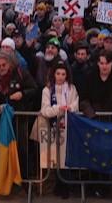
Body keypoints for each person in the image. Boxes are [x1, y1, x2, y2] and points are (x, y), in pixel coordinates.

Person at [38, 60, 79, 199]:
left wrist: (69, 108)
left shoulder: (72, 88)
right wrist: (58, 109)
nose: (60, 77)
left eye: (63, 74)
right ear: (53, 74)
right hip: (52, 127)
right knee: (55, 158)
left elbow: (75, 105)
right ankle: (58, 185)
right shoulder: (47, 90)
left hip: (69, 127)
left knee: (66, 157)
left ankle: (65, 186)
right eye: (58, 73)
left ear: (67, 75)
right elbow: (45, 110)